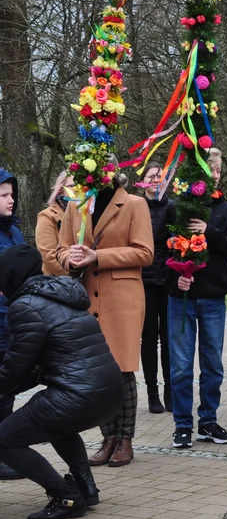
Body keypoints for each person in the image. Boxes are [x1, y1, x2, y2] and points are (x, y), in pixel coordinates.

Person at [0, 245, 123, 519]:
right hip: (110, 392)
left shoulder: (24, 306)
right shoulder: (60, 294)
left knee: (3, 440)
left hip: (79, 395)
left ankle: (65, 496)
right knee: (53, 420)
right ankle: (86, 487)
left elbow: (16, 369)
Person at [58, 173, 154, 468]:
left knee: (122, 370)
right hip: (87, 298)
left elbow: (144, 252)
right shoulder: (76, 205)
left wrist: (97, 256)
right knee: (97, 373)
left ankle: (125, 440)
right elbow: (60, 250)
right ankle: (108, 437)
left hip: (122, 298)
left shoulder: (134, 204)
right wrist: (70, 258)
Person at [166, 149, 227, 450]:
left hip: (212, 298)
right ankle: (182, 425)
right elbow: (163, 252)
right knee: (182, 365)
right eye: (208, 169)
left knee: (212, 364)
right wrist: (176, 278)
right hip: (181, 299)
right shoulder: (176, 209)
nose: (214, 175)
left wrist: (208, 231)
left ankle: (208, 421)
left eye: (218, 170)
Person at [139, 164, 173, 414]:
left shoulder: (172, 207)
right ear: (141, 181)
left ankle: (170, 392)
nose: (155, 179)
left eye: (159, 176)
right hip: (143, 281)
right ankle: (152, 393)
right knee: (149, 338)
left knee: (169, 340)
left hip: (169, 280)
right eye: (150, 176)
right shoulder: (135, 207)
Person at [0, 168, 26, 481]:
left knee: (6, 394)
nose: (11, 200)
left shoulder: (14, 231)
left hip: (13, 323)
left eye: (11, 194)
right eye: (4, 195)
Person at [35, 170, 72, 276]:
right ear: (61, 190)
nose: (79, 189)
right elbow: (49, 257)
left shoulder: (87, 214)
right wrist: (77, 276)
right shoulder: (47, 217)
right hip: (58, 284)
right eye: (73, 185)